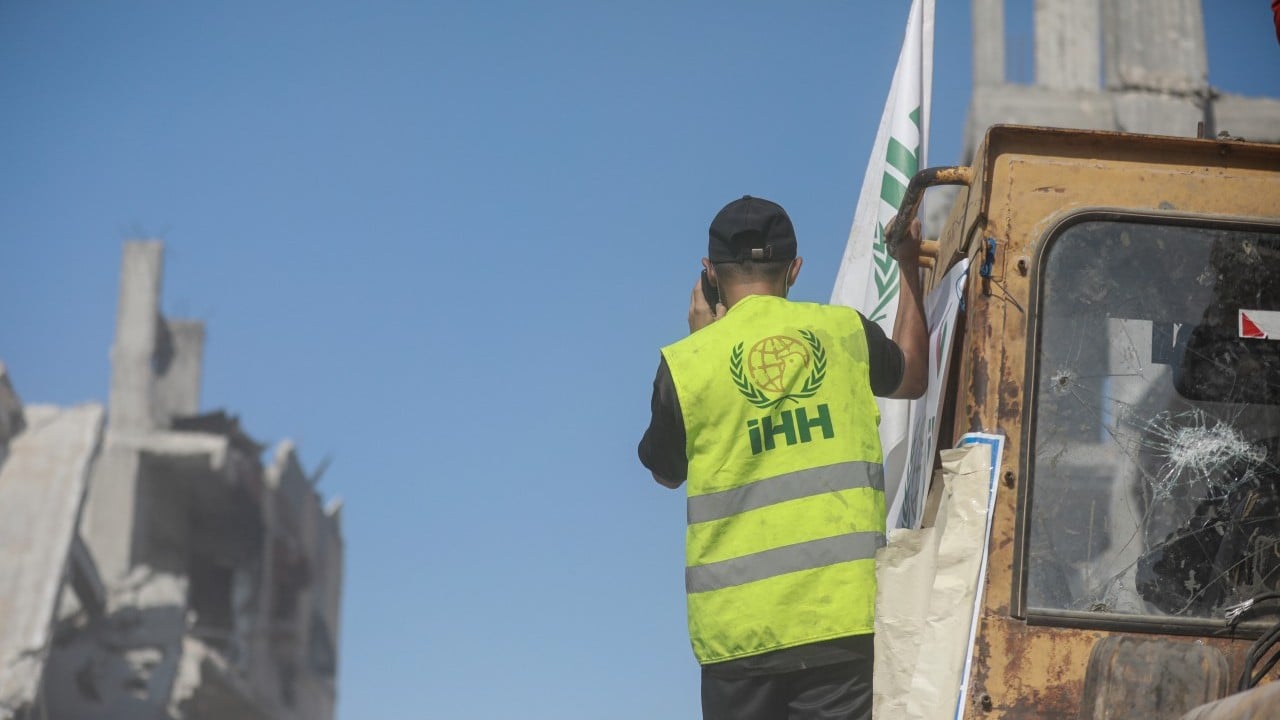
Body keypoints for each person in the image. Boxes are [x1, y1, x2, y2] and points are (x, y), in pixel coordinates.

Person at [637, 195, 927, 720]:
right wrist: (909, 268)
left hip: (737, 639)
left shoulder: (685, 365)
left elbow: (665, 472)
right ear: (794, 269)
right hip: (840, 623)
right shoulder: (844, 331)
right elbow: (911, 375)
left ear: (709, 274)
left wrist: (704, 339)